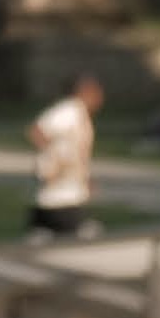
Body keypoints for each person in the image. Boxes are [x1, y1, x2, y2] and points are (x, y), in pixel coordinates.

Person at [28, 74, 104, 239]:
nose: (100, 99)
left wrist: (86, 177)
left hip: (72, 187)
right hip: (61, 185)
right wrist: (55, 157)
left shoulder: (79, 113)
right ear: (86, 92)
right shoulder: (69, 110)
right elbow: (37, 131)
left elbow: (80, 151)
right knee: (80, 230)